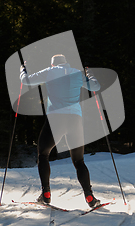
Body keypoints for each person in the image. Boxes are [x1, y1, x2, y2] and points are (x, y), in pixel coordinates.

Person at [20, 54, 101, 208]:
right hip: (74, 120)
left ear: (52, 64)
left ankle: (46, 194)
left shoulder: (50, 72)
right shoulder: (76, 73)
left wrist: (23, 70)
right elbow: (95, 87)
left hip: (55, 119)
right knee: (79, 161)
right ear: (66, 63)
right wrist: (89, 74)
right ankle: (89, 197)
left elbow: (26, 81)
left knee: (43, 154)